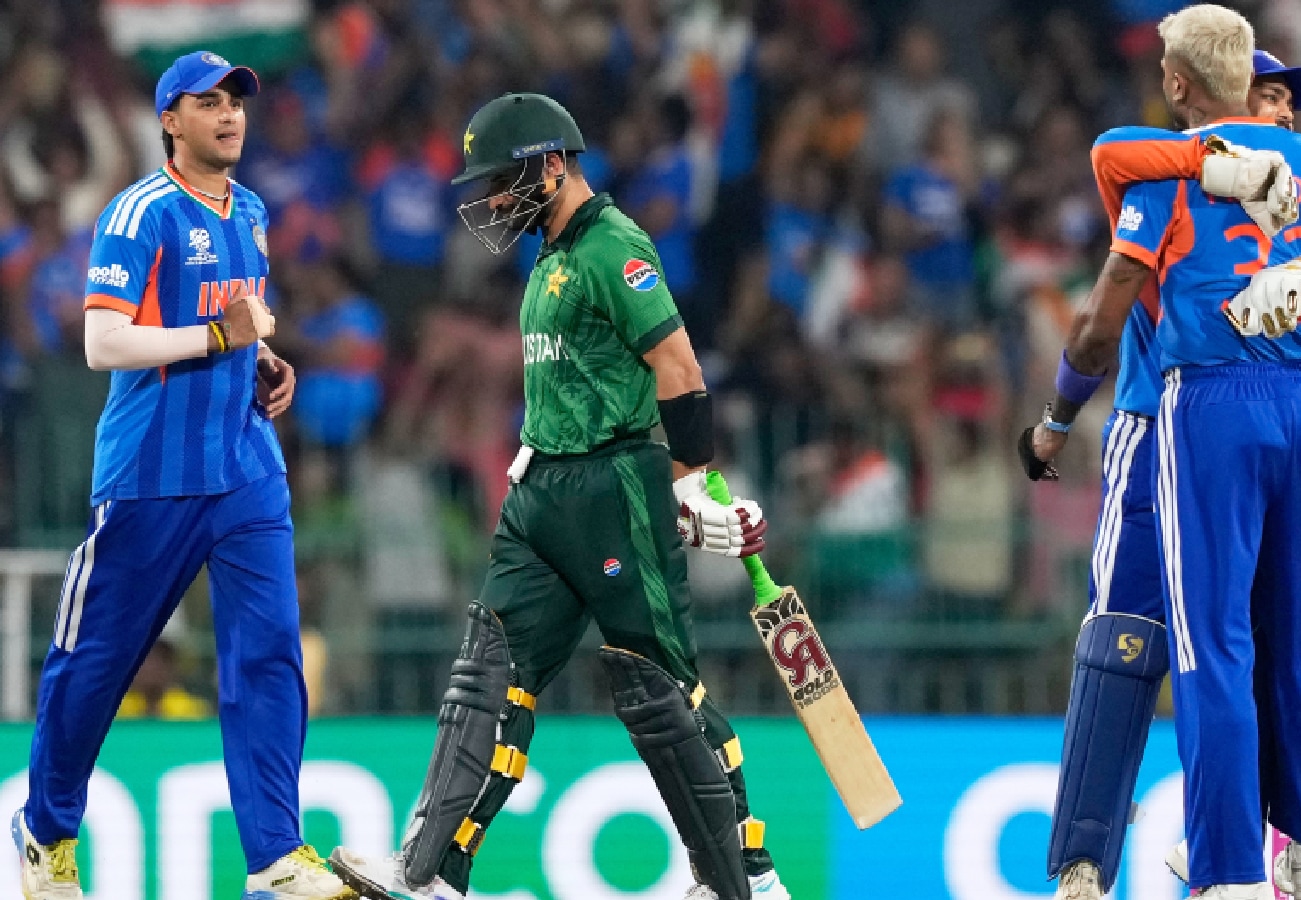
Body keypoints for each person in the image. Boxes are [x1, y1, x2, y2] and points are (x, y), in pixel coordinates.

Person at [326, 93, 789, 900]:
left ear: (550, 165)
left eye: (502, 180)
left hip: (614, 488)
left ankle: (743, 877)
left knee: (660, 690)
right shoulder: (548, 256)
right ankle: (429, 874)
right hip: (539, 492)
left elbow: (679, 369)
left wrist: (690, 485)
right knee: (486, 676)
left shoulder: (615, 246)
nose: (493, 200)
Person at [1024, 7, 1301, 898]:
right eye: (1268, 93)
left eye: (1291, 100)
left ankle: (1233, 851)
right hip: (1159, 426)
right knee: (1129, 638)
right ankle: (1087, 862)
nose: (1282, 111)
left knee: (1230, 641)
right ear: (1232, 93)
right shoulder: (1175, 171)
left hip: (1205, 415)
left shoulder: (1290, 179)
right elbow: (1117, 213)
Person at [10, 51, 351, 900]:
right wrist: (220, 337)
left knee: (268, 652)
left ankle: (275, 854)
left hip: (246, 465)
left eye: (236, 101)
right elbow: (103, 343)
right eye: (208, 103)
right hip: (152, 473)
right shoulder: (138, 212)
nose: (230, 114)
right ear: (170, 121)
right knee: (95, 665)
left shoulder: (253, 210)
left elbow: (234, 322)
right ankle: (44, 830)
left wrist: (260, 359)